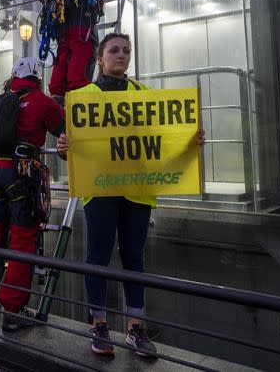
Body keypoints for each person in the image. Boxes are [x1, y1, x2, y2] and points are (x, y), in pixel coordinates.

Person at [56, 32, 205, 358]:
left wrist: (189, 138)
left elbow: (163, 135)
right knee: (98, 255)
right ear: (100, 58)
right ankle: (99, 323)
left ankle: (135, 328)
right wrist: (63, 148)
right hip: (99, 189)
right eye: (114, 50)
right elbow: (72, 149)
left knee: (134, 257)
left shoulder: (145, 94)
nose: (121, 55)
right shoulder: (84, 97)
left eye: (126, 50)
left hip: (137, 187)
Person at [0, 57, 65, 332]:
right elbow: (66, 130)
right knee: (22, 239)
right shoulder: (42, 101)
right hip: (20, 174)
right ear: (38, 78)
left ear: (14, 77)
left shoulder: (2, 100)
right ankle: (13, 309)